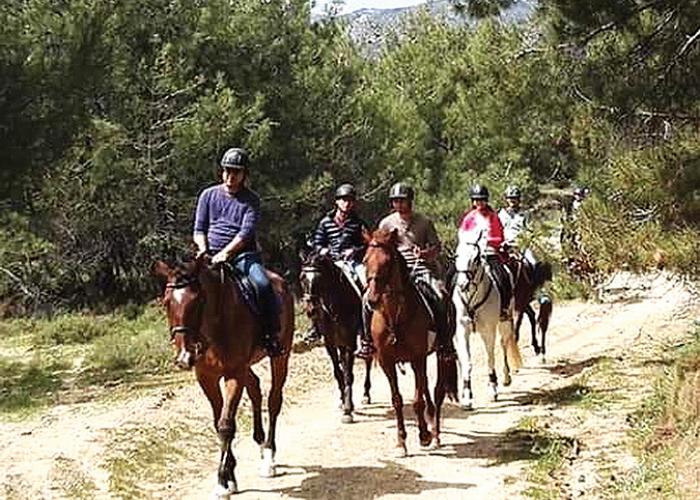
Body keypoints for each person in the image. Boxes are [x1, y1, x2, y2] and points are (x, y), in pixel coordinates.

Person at [193, 147, 284, 357]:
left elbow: (245, 233)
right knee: (186, 289)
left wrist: (226, 253)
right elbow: (199, 229)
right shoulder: (208, 195)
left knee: (262, 285)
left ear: (244, 175)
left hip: (243, 255)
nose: (230, 177)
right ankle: (189, 339)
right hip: (209, 254)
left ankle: (271, 335)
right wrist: (203, 249)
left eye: (235, 172)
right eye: (227, 171)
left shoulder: (251, 200)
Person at [356, 181, 456, 360]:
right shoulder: (386, 223)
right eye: (395, 201)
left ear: (410, 201)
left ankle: (444, 343)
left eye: (402, 201)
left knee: (440, 296)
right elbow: (378, 247)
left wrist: (425, 253)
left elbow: (436, 247)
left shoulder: (424, 222)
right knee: (366, 300)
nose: (399, 205)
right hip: (392, 272)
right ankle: (367, 342)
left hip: (420, 268)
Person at [303, 183, 369, 343]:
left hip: (352, 262)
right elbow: (317, 243)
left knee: (366, 287)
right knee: (314, 286)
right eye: (343, 199)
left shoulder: (358, 223)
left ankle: (365, 330)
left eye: (350, 200)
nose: (347, 203)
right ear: (337, 202)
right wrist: (323, 251)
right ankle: (316, 327)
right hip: (330, 262)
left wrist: (355, 250)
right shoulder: (325, 222)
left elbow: (367, 244)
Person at [457, 184, 512, 320]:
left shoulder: (493, 216)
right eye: (476, 200)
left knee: (502, 276)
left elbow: (500, 236)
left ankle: (503, 308)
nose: (479, 203)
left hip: (489, 252)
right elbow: (462, 234)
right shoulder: (469, 218)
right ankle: (452, 308)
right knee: (452, 273)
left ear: (486, 200)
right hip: (471, 253)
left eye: (481, 200)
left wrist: (488, 241)